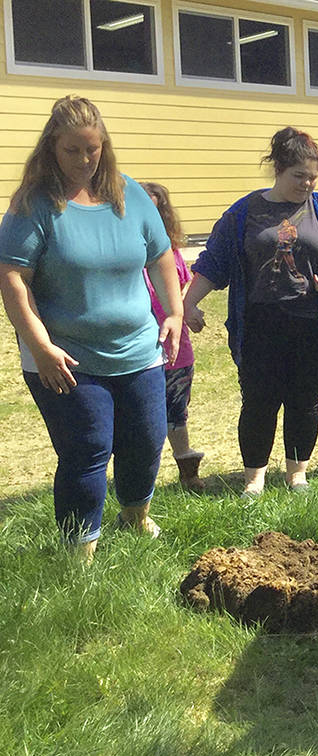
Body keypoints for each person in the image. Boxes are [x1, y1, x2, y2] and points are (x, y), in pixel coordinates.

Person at [0, 96, 182, 561]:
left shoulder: (130, 193)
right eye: (72, 151)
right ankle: (81, 554)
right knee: (88, 448)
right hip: (66, 355)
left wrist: (174, 312)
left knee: (145, 438)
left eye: (93, 149)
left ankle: (136, 516)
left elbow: (162, 254)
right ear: (50, 149)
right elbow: (13, 279)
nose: (85, 160)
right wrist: (38, 346)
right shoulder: (34, 204)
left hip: (138, 350)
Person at [183, 128, 318, 496]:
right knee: (258, 402)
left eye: (313, 176)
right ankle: (254, 479)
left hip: (313, 326)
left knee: (304, 401)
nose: (307, 183)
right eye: (299, 176)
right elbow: (213, 262)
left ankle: (297, 475)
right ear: (278, 169)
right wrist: (190, 302)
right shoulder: (243, 213)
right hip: (260, 325)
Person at [141, 181, 204, 492]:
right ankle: (139, 479)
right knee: (142, 416)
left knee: (177, 411)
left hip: (175, 349)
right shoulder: (125, 254)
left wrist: (187, 310)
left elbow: (184, 283)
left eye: (156, 212)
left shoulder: (171, 251)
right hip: (139, 348)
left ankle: (187, 473)